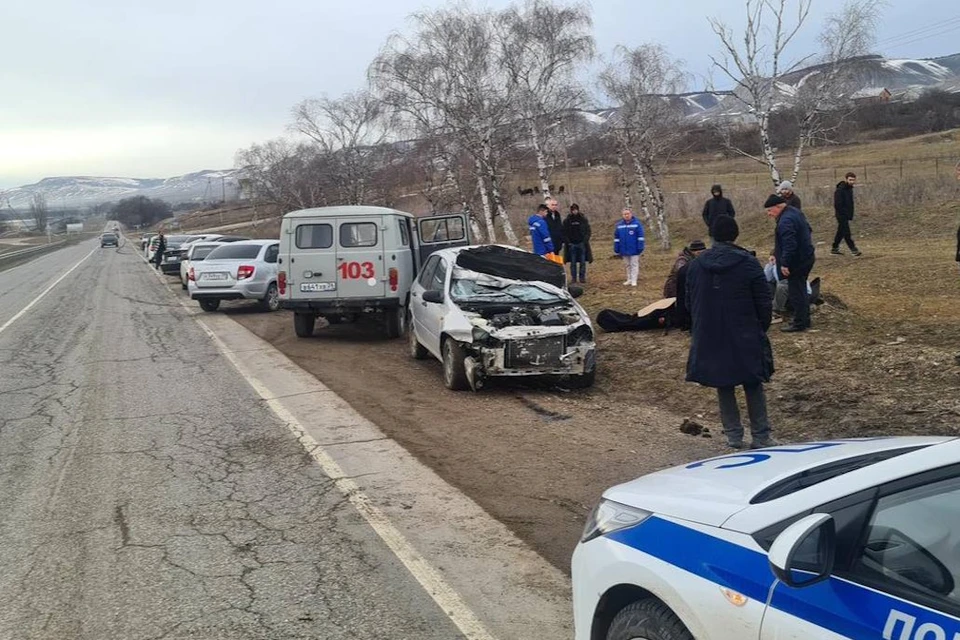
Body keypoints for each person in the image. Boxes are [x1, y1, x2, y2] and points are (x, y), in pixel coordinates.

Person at [685, 215, 775, 450]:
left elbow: (689, 302)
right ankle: (761, 435)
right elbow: (764, 301)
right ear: (735, 234)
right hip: (745, 330)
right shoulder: (748, 263)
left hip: (710, 332)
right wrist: (760, 328)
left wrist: (701, 328)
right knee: (752, 381)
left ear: (712, 235)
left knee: (723, 383)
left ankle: (733, 435)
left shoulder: (696, 265)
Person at [765, 194, 816, 332]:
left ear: (778, 207)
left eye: (770, 210)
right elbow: (808, 230)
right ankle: (804, 320)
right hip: (806, 257)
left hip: (797, 262)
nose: (769, 214)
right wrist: (777, 254)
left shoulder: (785, 221)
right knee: (800, 290)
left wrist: (785, 263)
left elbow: (790, 245)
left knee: (796, 292)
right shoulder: (795, 212)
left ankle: (799, 323)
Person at [832, 172, 862, 256]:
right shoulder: (840, 190)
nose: (852, 181)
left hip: (847, 214)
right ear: (846, 179)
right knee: (846, 232)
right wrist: (843, 213)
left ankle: (834, 248)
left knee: (841, 231)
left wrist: (849, 214)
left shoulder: (849, 189)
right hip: (841, 215)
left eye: (853, 180)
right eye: (850, 180)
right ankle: (853, 249)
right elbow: (837, 204)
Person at [613, 208, 645, 287]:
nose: (626, 215)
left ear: (631, 214)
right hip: (623, 249)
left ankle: (634, 280)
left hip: (634, 249)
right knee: (627, 265)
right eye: (625, 214)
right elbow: (616, 237)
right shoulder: (619, 225)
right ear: (622, 215)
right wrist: (616, 247)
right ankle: (629, 279)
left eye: (628, 214)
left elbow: (640, 237)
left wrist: (640, 247)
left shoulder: (637, 224)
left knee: (634, 264)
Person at [562, 203, 592, 284]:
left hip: (582, 244)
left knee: (582, 262)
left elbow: (588, 231)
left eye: (576, 210)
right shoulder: (567, 221)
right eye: (573, 210)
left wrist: (584, 241)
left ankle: (582, 278)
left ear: (578, 210)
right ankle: (574, 278)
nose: (575, 211)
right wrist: (568, 243)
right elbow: (564, 233)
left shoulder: (583, 219)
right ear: (571, 211)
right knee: (573, 263)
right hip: (572, 244)